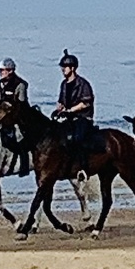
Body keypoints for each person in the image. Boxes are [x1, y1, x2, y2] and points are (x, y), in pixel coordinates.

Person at [53, 49, 95, 181]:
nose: (63, 69)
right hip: (69, 118)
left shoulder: (83, 84)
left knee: (78, 138)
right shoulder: (64, 85)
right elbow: (62, 101)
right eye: (62, 67)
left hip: (83, 118)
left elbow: (86, 103)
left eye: (65, 67)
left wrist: (70, 110)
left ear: (73, 68)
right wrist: (59, 108)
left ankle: (83, 168)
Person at [0, 58, 30, 176]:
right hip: (4, 117)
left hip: (19, 117)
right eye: (0, 70)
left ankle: (24, 166)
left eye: (3, 70)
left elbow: (21, 105)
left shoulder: (20, 85)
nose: (1, 73)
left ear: (10, 71)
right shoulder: (0, 84)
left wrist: (11, 118)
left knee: (19, 139)